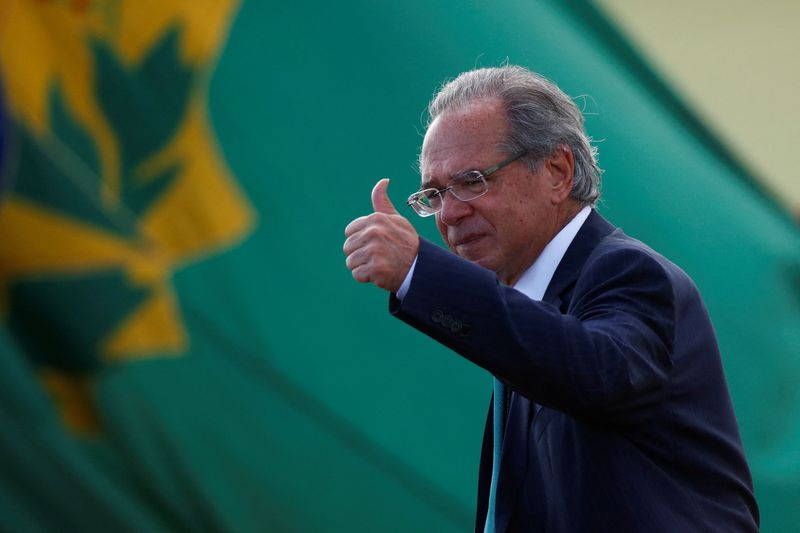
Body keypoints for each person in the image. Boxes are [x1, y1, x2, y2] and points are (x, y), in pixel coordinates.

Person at [343, 65, 759, 532]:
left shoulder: (628, 272)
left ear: (558, 172)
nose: (452, 213)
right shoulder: (526, 313)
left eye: (473, 180)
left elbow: (590, 368)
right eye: (435, 194)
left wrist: (420, 270)